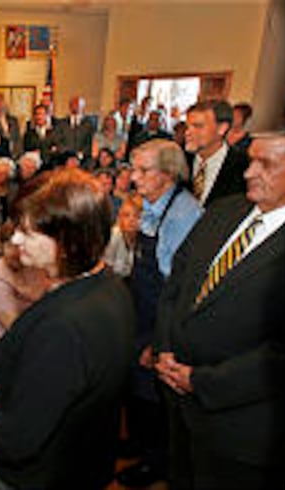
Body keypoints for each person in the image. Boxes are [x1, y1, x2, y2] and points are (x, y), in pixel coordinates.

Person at [0, 168, 135, 490]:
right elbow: (58, 386)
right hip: (84, 463)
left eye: (27, 233)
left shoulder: (63, 326)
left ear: (67, 242)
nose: (14, 240)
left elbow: (20, 438)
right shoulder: (109, 285)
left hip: (41, 475)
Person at [153, 136, 285, 489]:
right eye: (250, 161)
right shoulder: (224, 210)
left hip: (241, 427)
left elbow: (281, 355)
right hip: (178, 402)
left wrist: (200, 381)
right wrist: (164, 347)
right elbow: (176, 284)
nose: (248, 173)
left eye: (266, 165)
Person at [117, 139, 202, 488]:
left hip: (160, 322)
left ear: (167, 174)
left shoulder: (183, 215)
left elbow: (179, 291)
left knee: (155, 398)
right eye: (132, 168)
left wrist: (158, 340)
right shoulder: (152, 205)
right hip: (142, 310)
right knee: (137, 390)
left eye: (142, 170)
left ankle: (155, 463)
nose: (133, 178)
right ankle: (137, 445)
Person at [0, 222, 47, 343]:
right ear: (1, 247)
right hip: (12, 342)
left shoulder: (33, 264)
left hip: (38, 328)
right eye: (9, 246)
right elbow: (14, 326)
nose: (16, 253)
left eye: (20, 246)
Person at [185, 100, 249, 206]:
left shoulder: (243, 165)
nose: (187, 133)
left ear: (222, 129)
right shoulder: (179, 159)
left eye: (198, 126)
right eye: (187, 126)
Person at [104, 194, 141, 278]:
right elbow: (106, 270)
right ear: (120, 218)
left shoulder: (142, 238)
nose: (131, 220)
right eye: (126, 215)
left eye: (136, 216)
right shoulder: (114, 236)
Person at [54, 95, 95, 165]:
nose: (75, 106)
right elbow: (57, 140)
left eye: (78, 104)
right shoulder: (61, 123)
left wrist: (79, 155)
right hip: (63, 159)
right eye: (73, 104)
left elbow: (89, 142)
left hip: (83, 160)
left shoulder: (88, 124)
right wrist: (67, 155)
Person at [22, 103, 56, 168]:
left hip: (50, 164)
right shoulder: (29, 133)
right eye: (37, 114)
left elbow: (55, 148)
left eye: (42, 114)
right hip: (33, 165)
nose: (39, 117)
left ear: (46, 116)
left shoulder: (54, 132)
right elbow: (26, 148)